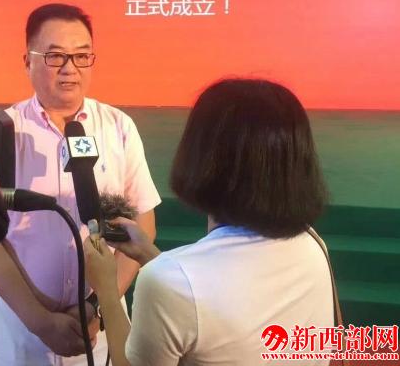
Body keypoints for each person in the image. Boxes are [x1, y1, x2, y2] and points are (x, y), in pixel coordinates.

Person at [84, 78, 334, 366]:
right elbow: (214, 301)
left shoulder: (166, 282)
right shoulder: (313, 244)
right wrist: (147, 254)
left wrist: (106, 290)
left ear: (203, 159)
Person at [0, 3, 161, 365]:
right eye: (55, 56)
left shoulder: (118, 127)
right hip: (20, 332)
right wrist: (40, 321)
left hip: (99, 330)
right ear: (27, 61)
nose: (70, 68)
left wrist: (97, 306)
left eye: (82, 56)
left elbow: (142, 224)